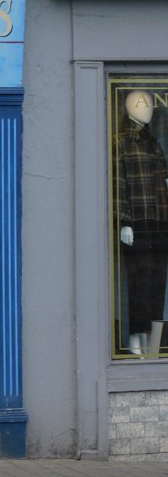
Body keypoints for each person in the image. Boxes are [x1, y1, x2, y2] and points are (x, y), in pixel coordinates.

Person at [114, 90, 168, 355]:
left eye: (148, 104)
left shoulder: (152, 142)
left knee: (158, 281)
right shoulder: (121, 141)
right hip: (137, 220)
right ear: (128, 107)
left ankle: (154, 341)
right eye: (139, 103)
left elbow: (164, 179)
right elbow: (118, 183)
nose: (145, 109)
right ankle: (136, 339)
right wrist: (124, 220)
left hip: (159, 219)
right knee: (139, 281)